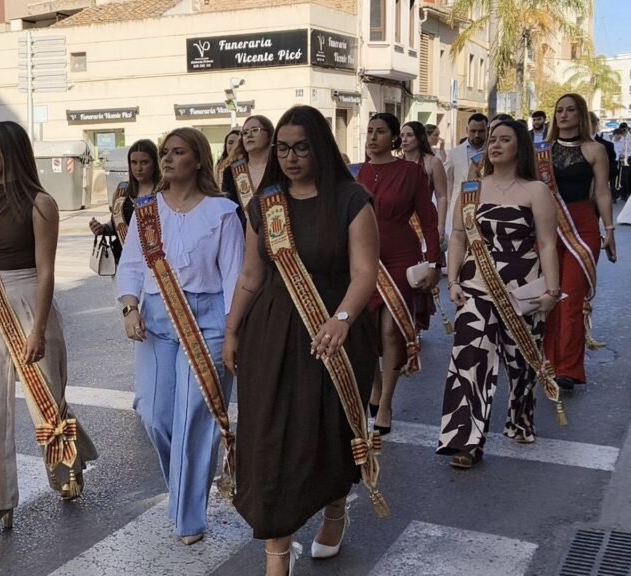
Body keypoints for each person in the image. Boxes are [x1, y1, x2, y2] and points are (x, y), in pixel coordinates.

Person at [224, 105, 381, 576]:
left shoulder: (352, 200)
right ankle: (277, 552)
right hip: (272, 335)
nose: (290, 158)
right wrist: (232, 330)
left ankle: (334, 509)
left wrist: (342, 319)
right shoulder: (265, 204)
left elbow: (364, 273)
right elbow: (250, 276)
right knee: (271, 440)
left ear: (320, 149)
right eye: (283, 149)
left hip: (333, 336)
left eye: (301, 148)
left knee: (328, 433)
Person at [0, 121, 98, 543]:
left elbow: (46, 271)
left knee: (47, 400)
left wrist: (38, 328)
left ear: (11, 151)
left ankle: (69, 461)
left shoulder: (41, 204)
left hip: (28, 298)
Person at [115, 127, 244, 545]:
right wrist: (130, 307)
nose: (167, 159)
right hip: (157, 317)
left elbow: (234, 278)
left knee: (194, 418)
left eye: (178, 152)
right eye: (165, 152)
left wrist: (232, 333)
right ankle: (185, 483)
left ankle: (189, 516)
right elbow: (131, 265)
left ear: (198, 159)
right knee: (153, 413)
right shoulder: (147, 211)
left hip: (207, 320)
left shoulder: (222, 212)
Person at [438, 119, 561, 468]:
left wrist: (553, 292)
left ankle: (520, 418)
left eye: (504, 139)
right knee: (469, 360)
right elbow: (458, 236)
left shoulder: (536, 191)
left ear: (519, 147)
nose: (494, 145)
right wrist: (453, 281)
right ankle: (466, 441)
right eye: (492, 139)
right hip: (476, 286)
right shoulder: (472, 189)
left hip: (524, 289)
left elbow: (547, 244)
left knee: (521, 365)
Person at [357, 113, 441, 435]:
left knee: (390, 329)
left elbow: (429, 219)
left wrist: (434, 262)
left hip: (400, 256)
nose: (372, 137)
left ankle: (386, 403)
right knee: (365, 329)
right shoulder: (358, 172)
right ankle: (375, 386)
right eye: (369, 131)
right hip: (365, 255)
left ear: (393, 138)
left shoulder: (411, 172)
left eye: (380, 131)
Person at [544, 94, 618, 390]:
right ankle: (547, 361)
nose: (563, 115)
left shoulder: (595, 149)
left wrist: (609, 229)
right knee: (549, 297)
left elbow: (602, 191)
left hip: (583, 228)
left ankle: (568, 369)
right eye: (559, 110)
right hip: (547, 228)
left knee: (571, 298)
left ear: (581, 114)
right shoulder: (541, 150)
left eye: (570, 110)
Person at [89, 139, 162, 259]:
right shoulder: (122, 191)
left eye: (144, 162)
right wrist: (103, 229)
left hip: (158, 261)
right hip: (124, 259)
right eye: (134, 162)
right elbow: (117, 224)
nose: (138, 168)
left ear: (155, 163)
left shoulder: (165, 192)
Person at [221, 115, 275, 222]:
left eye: (255, 130)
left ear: (269, 135)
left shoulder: (279, 168)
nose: (249, 135)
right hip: (240, 229)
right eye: (245, 133)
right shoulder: (231, 172)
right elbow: (227, 208)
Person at [445, 114, 489, 241]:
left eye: (481, 131)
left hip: (485, 205)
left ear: (487, 130)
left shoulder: (493, 152)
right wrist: (450, 203)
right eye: (473, 131)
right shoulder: (454, 153)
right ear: (467, 130)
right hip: (459, 206)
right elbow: (448, 180)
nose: (477, 135)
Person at [402, 121, 449, 240]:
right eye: (402, 135)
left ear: (420, 137)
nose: (404, 139)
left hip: (425, 220)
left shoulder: (433, 162)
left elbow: (442, 196)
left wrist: (441, 226)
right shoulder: (396, 163)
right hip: (401, 222)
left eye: (410, 135)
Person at [590, 113, 618, 202]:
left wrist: (600, 181)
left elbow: (613, 169)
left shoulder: (607, 145)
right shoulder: (573, 145)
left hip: (598, 192)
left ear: (595, 125)